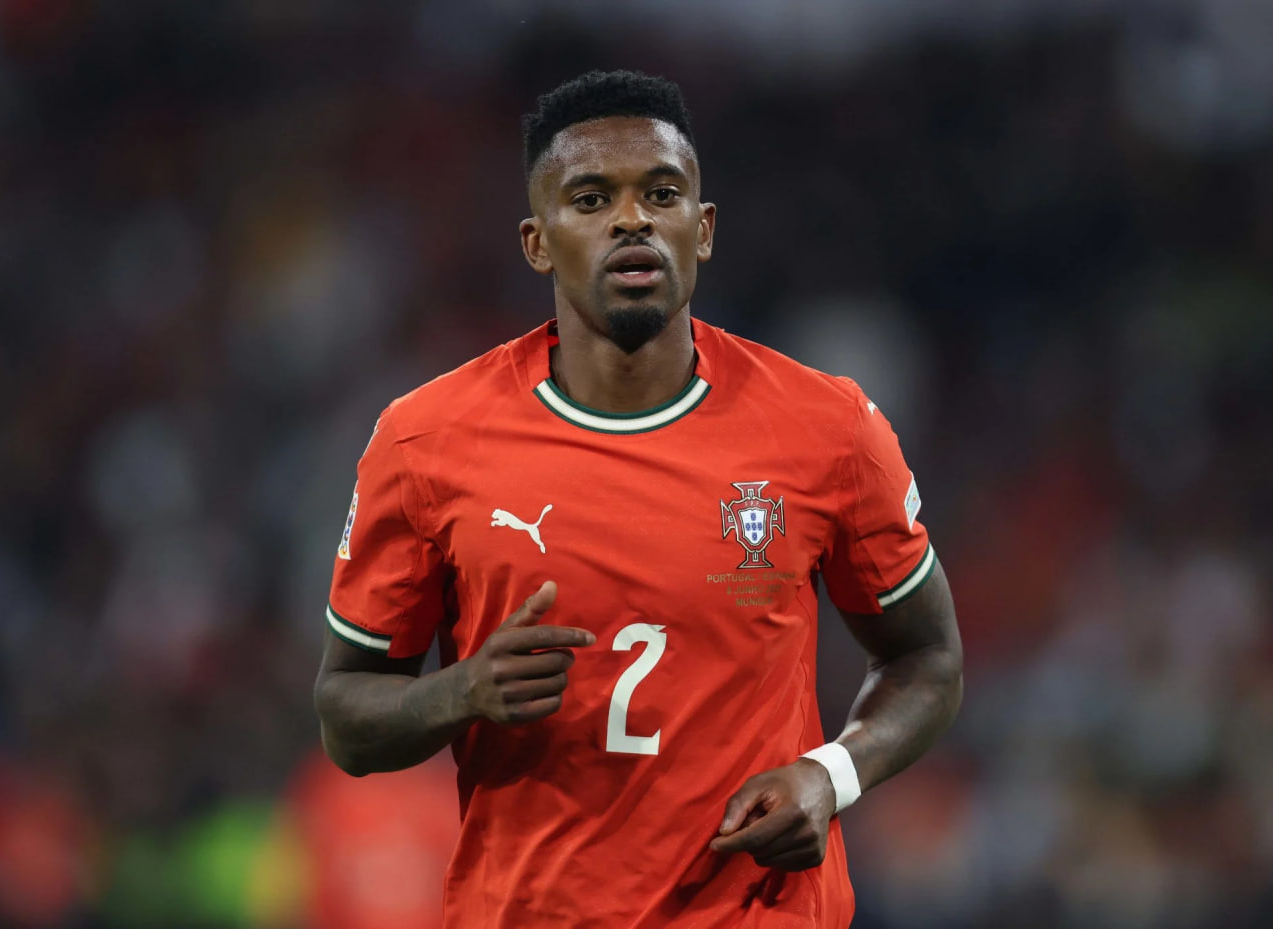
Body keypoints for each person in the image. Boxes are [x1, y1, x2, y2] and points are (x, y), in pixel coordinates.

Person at [314, 69, 963, 928]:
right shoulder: (425, 440)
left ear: (703, 228)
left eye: (661, 194)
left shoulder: (828, 428)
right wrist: (459, 691)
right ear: (537, 243)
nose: (632, 220)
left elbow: (929, 659)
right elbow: (346, 716)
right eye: (591, 199)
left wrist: (830, 773)